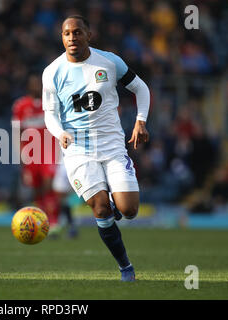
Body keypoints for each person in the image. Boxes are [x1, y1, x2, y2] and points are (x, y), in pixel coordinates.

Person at [42, 16, 150, 282]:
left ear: (88, 34)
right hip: (78, 150)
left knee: (129, 210)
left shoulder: (110, 62)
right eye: (66, 33)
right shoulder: (52, 72)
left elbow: (141, 88)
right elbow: (50, 114)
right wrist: (60, 133)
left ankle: (117, 204)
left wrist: (141, 121)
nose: (71, 38)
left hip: (113, 145)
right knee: (100, 209)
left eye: (77, 32)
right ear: (62, 38)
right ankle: (125, 267)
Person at [11, 74, 61, 228]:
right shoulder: (20, 106)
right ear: (28, 86)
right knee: (37, 189)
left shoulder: (52, 102)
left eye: (38, 83)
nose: (36, 86)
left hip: (50, 150)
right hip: (31, 154)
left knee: (49, 183)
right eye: (33, 83)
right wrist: (21, 155)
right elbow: (17, 132)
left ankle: (54, 220)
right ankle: (42, 219)